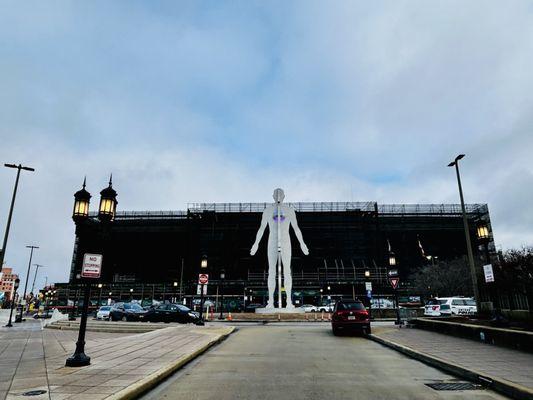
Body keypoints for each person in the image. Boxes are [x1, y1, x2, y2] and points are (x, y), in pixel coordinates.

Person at [250, 188, 309, 309]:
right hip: (272, 241)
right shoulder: (267, 211)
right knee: (271, 271)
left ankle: (288, 302)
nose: (278, 196)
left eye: (280, 194)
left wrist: (302, 243)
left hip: (286, 242)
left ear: (284, 196)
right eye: (276, 194)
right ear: (272, 196)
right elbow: (261, 229)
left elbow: (296, 229)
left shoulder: (289, 210)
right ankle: (270, 301)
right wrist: (256, 244)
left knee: (287, 271)